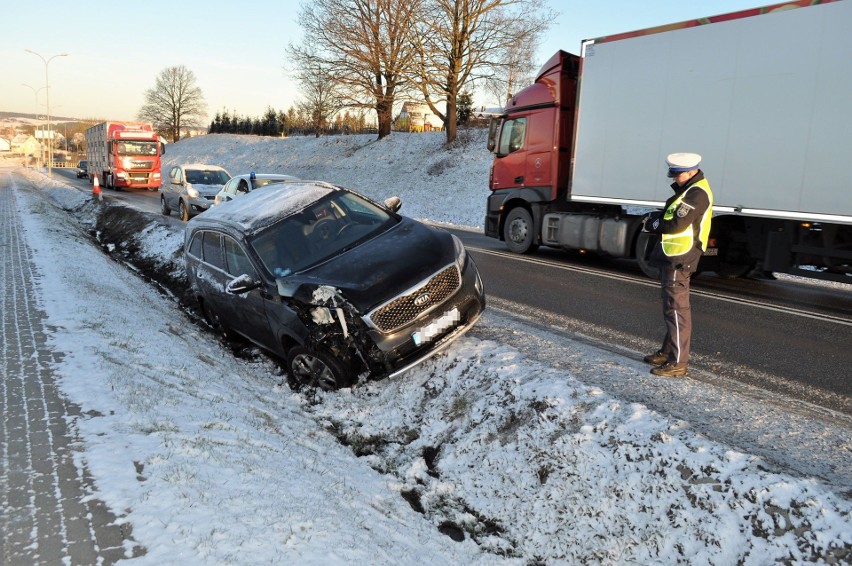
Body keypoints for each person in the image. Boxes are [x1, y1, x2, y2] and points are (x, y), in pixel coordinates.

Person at [642, 152, 713, 377]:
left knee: (677, 310)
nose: (674, 179)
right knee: (671, 307)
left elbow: (676, 224)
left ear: (692, 171)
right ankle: (667, 352)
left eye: (678, 175)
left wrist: (654, 223)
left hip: (681, 257)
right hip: (673, 254)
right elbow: (673, 215)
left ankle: (678, 363)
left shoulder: (696, 193)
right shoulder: (688, 190)